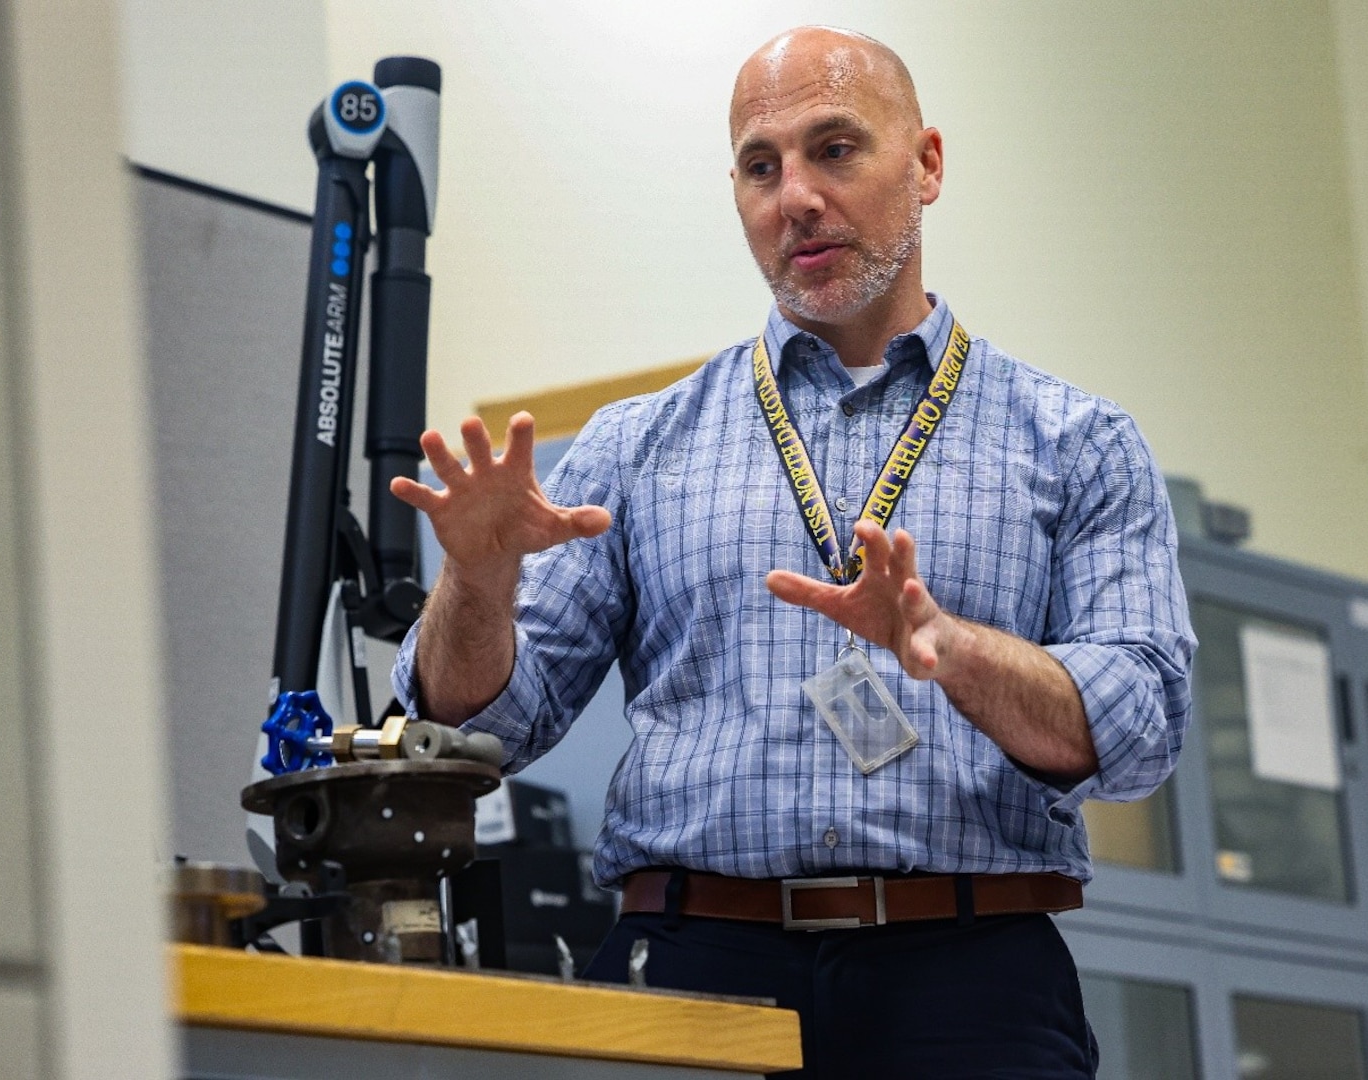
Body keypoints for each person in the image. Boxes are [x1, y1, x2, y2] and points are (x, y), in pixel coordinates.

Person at [392, 25, 1194, 1080]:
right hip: (694, 969)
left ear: (927, 165)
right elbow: (478, 731)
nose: (797, 198)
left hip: (969, 981)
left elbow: (1140, 727)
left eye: (835, 149)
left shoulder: (1075, 442)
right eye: (761, 167)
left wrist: (949, 647)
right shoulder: (638, 447)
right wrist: (478, 582)